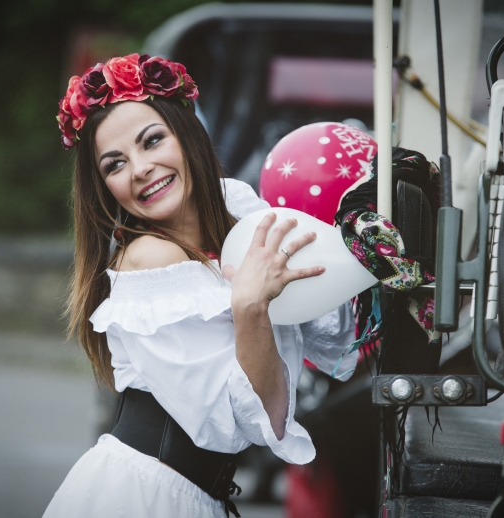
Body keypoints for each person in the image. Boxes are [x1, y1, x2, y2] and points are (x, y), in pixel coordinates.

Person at [44, 54, 358, 518]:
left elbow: (328, 323)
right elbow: (244, 425)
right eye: (115, 165)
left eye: (152, 141)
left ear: (186, 134)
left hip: (197, 497)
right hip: (144, 498)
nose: (140, 169)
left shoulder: (238, 207)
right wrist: (251, 307)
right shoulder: (149, 261)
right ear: (104, 186)